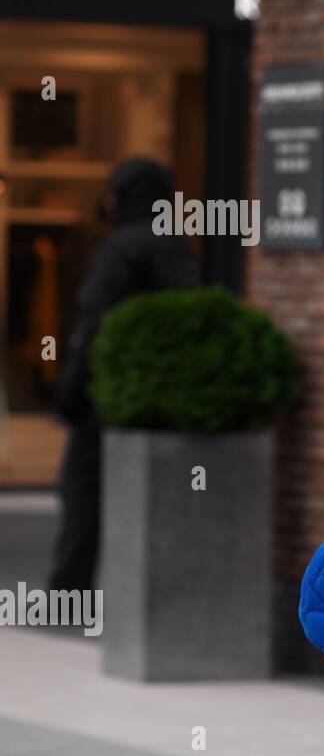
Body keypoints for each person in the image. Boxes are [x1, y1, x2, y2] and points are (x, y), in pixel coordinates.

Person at [48, 157, 200, 593]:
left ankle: (67, 591)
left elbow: (92, 325)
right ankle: (143, 594)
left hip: (107, 398)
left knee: (82, 489)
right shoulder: (175, 245)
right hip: (158, 397)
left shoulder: (121, 249)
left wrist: (69, 393)